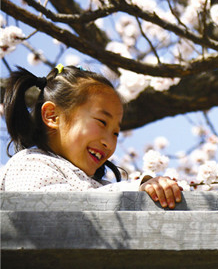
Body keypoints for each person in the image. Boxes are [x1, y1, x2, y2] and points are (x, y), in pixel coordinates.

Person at [0, 64, 182, 209]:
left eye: (116, 133)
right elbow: (58, 209)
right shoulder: (29, 164)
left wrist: (152, 190)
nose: (109, 142)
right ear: (52, 116)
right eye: (102, 122)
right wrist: (135, 189)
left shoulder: (99, 185)